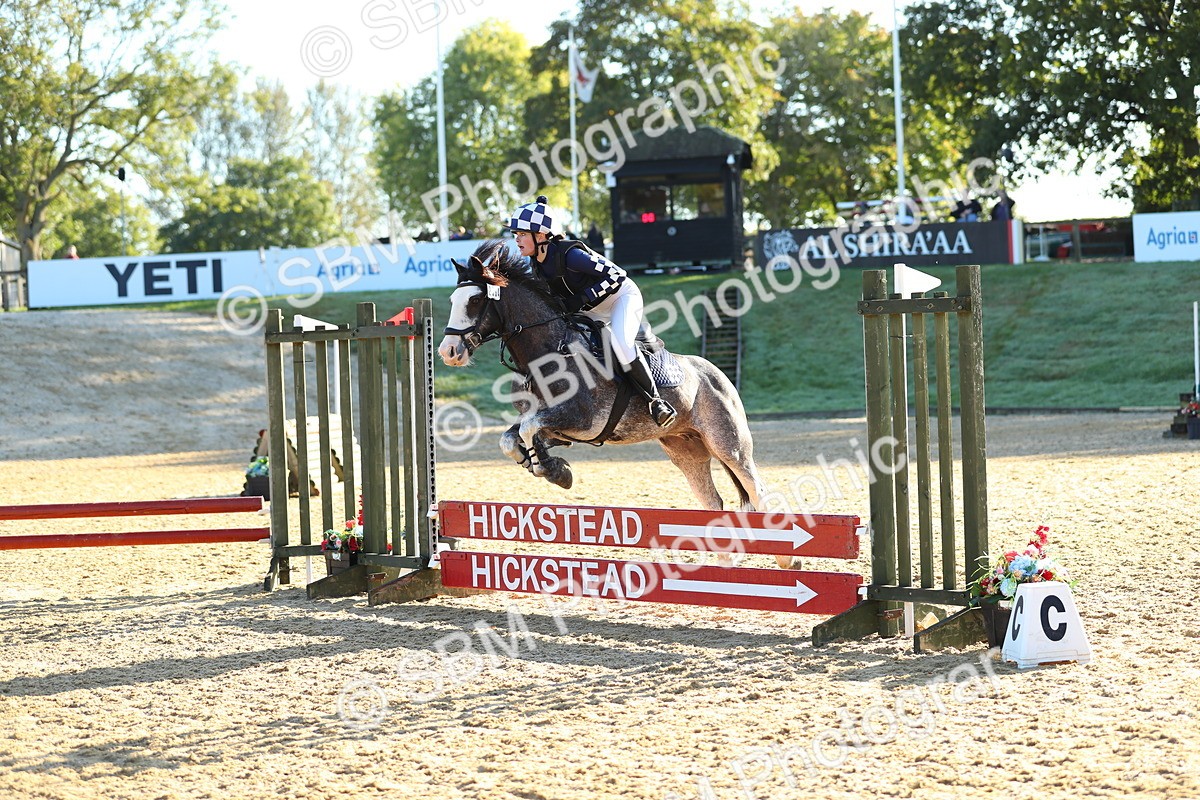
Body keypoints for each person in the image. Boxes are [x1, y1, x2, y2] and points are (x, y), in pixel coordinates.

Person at [508, 195, 677, 427]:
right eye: (515, 235)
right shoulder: (536, 264)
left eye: (521, 234)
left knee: (621, 344)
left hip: (620, 298)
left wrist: (582, 298)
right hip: (590, 310)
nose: (516, 239)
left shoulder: (571, 255)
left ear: (540, 236)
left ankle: (656, 402)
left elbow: (617, 275)